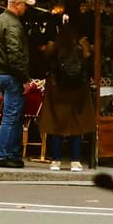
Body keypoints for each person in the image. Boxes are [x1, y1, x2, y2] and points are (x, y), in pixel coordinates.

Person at [42, 15, 94, 172]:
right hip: (78, 90)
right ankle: (75, 161)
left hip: (57, 89)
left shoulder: (54, 46)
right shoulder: (82, 47)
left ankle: (56, 160)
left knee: (57, 124)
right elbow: (88, 66)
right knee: (76, 124)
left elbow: (44, 62)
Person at [0, 0, 32, 169]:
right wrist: (25, 78)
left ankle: (12, 154)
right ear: (17, 4)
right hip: (12, 75)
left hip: (1, 73)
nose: (26, 9)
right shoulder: (13, 24)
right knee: (11, 117)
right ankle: (4, 155)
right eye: (25, 5)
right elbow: (15, 54)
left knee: (12, 116)